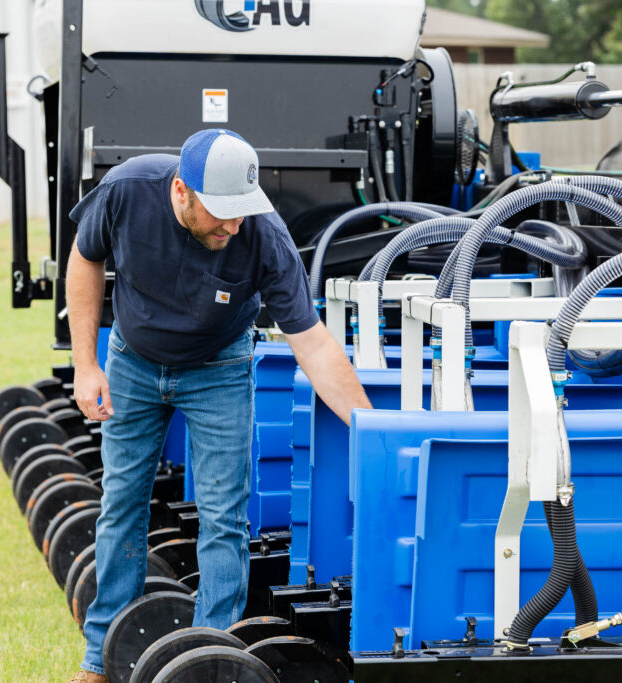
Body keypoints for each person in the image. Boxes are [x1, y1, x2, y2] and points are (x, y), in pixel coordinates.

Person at [64, 129, 372, 683]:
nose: (234, 226)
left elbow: (314, 344)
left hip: (218, 370)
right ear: (181, 191)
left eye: (243, 212)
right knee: (121, 504)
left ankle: (212, 659)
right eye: (222, 212)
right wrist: (87, 365)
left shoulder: (264, 236)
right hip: (133, 361)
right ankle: (98, 660)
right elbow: (85, 260)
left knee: (223, 517)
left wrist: (370, 430)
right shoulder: (127, 190)